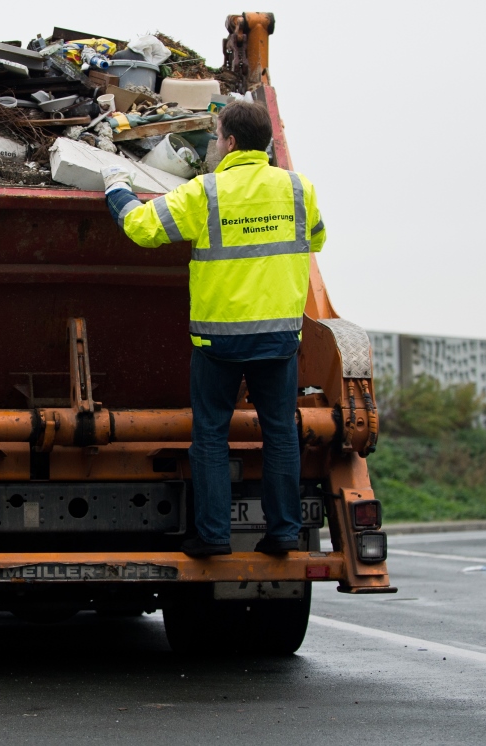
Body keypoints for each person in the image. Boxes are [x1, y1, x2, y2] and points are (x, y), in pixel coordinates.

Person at [103, 101, 326, 558]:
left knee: (210, 435)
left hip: (219, 341)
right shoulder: (298, 188)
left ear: (229, 142)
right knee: (280, 433)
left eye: (217, 134)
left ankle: (214, 536)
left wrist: (117, 188)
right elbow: (316, 239)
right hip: (279, 339)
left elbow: (142, 228)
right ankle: (283, 532)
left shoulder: (207, 192)